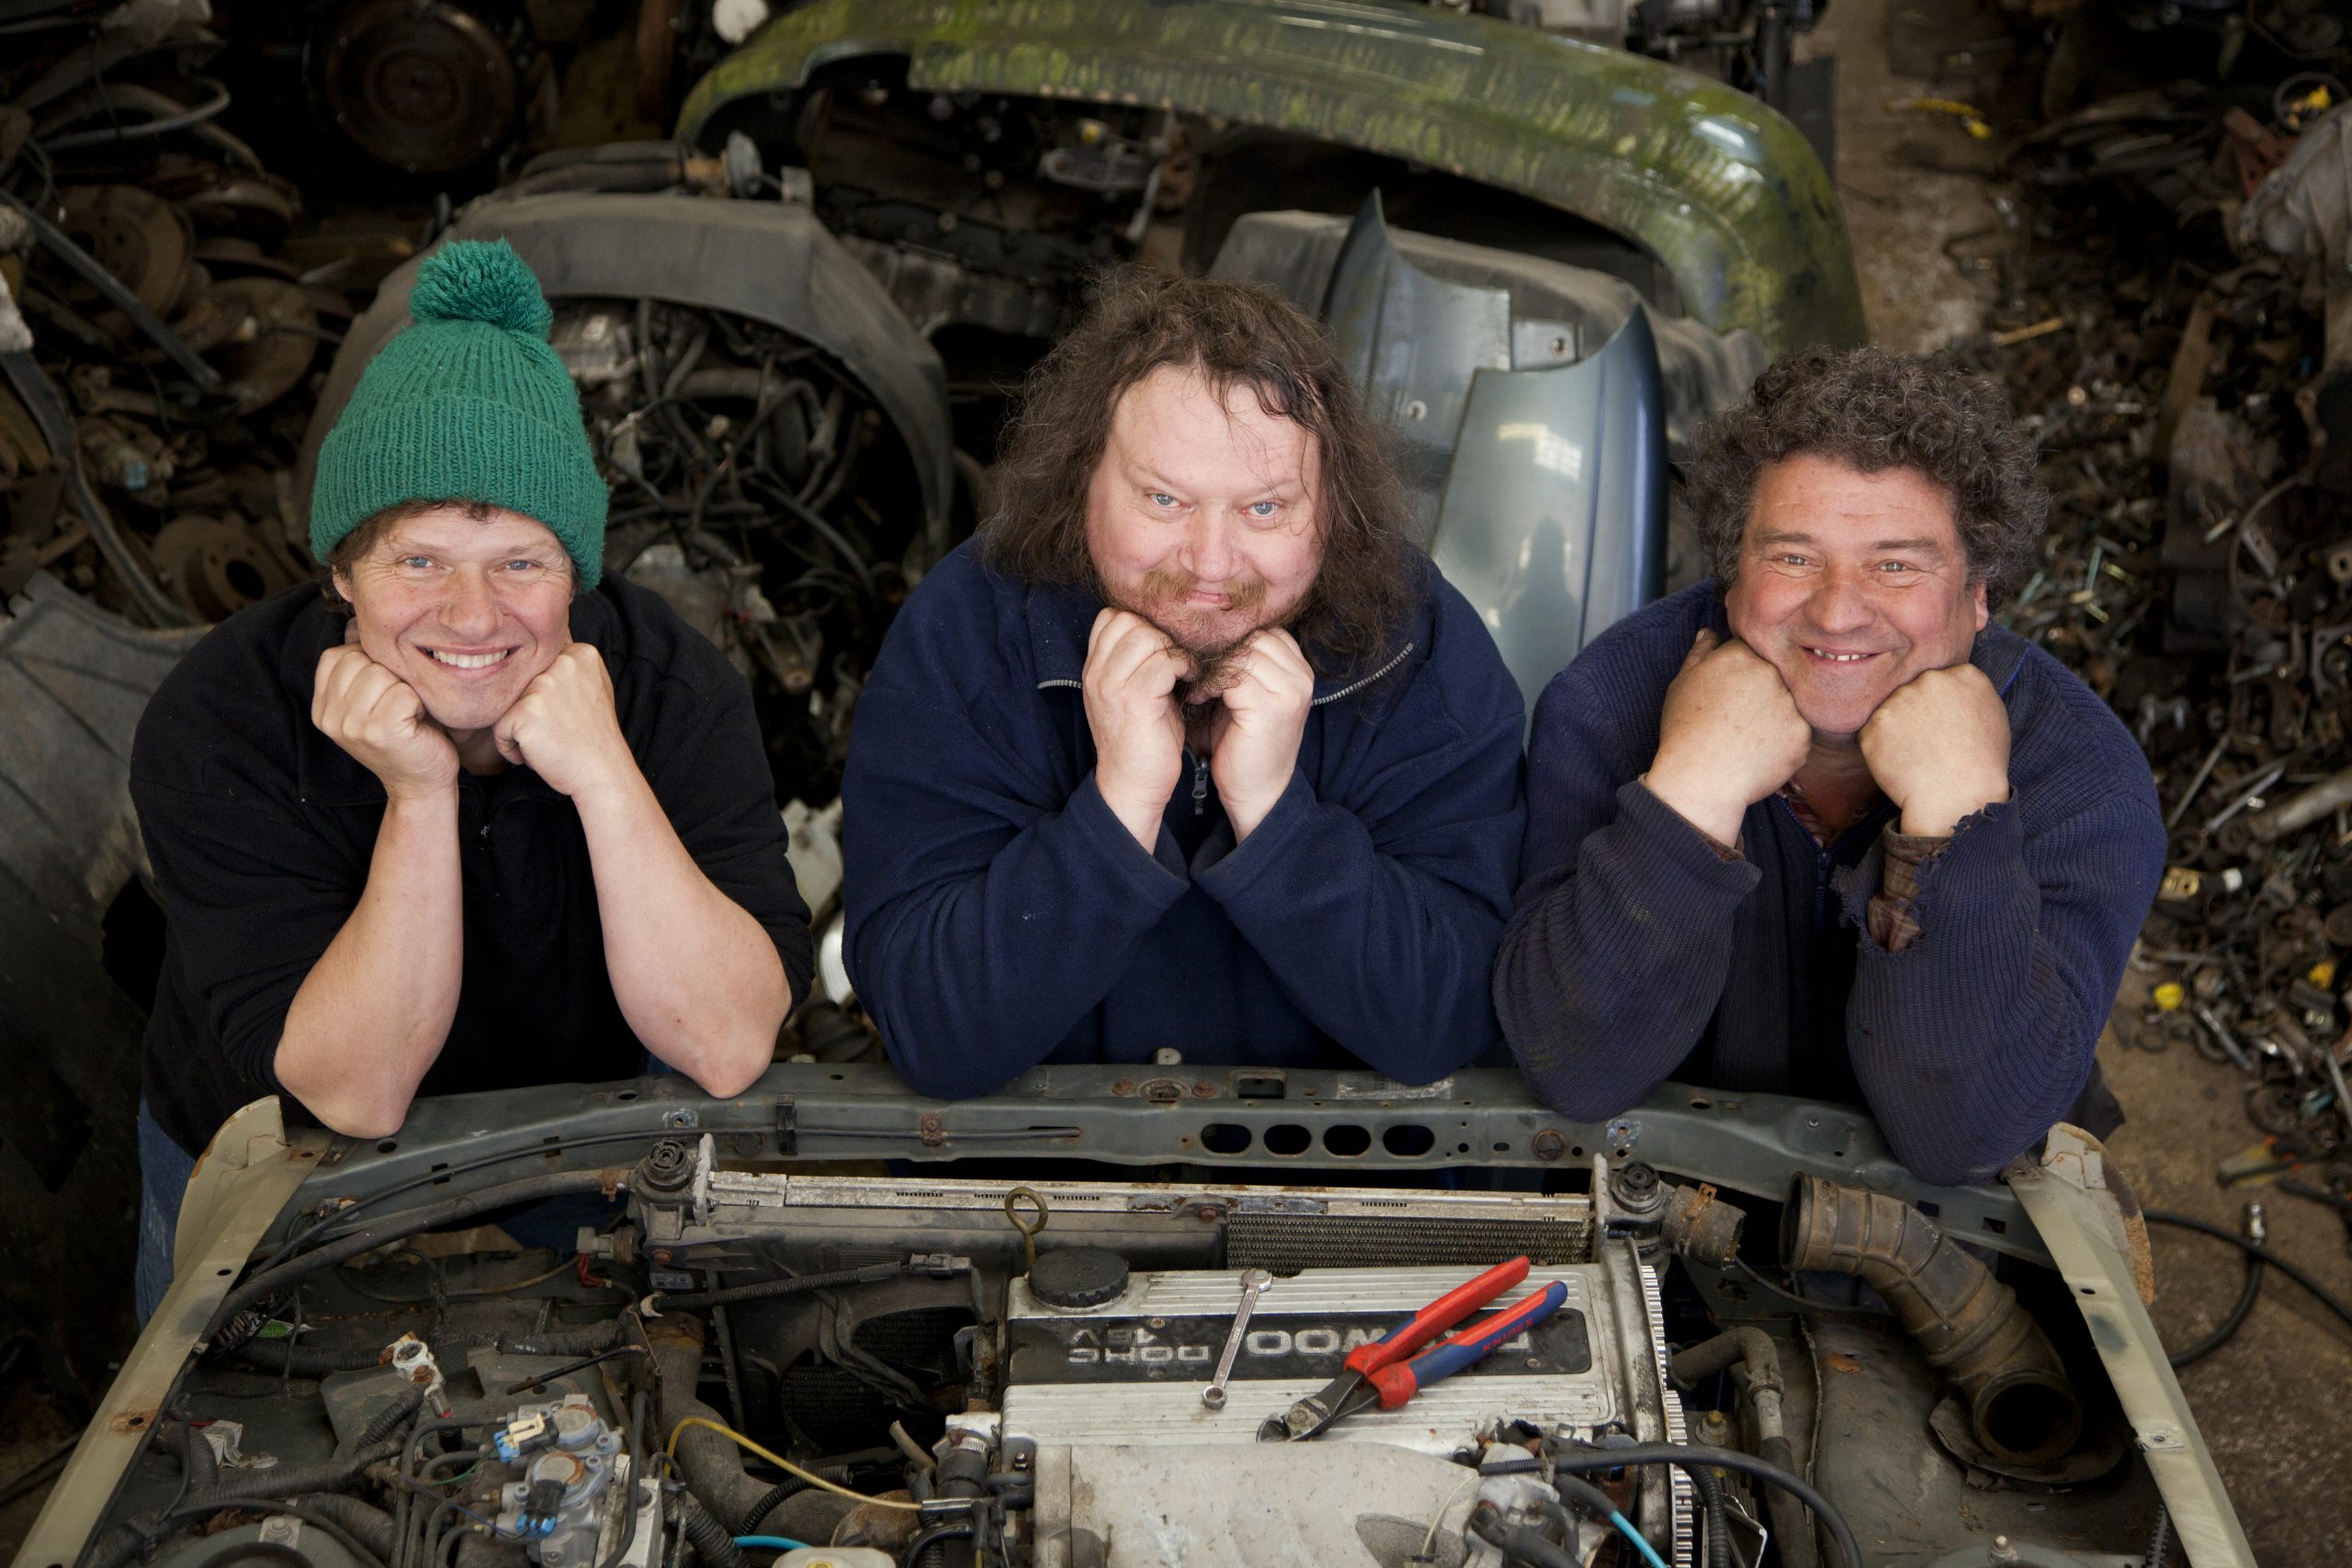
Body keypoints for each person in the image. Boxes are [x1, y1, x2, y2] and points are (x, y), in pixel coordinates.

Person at [130, 241, 810, 1319]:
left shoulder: (672, 689)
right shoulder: (220, 724)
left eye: (519, 563)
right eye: (417, 560)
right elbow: (355, 1091)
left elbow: (726, 1046)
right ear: (341, 573)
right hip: (285, 1174)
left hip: (562, 1153)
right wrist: (420, 793)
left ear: (575, 577)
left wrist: (605, 775)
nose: (472, 616)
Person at [842, 270, 1526, 1099]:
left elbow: (1449, 1025)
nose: (1209, 563)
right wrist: (1119, 805)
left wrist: (1276, 816)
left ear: (1333, 505)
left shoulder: (1419, 649)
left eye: (1265, 509)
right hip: (1031, 1201)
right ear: (1082, 479)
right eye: (1164, 499)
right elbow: (927, 1029)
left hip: (1327, 1202)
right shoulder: (968, 635)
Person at [1494, 346, 2164, 1186]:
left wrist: (1957, 817)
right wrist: (1690, 793)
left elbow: (1966, 1133)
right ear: (1733, 571)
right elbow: (1575, 1067)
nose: (1839, 610)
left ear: (1978, 592)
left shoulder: (2084, 777)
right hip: (1665, 1215)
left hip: (1961, 1258)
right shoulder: (1607, 702)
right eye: (1793, 556)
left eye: (1896, 563)